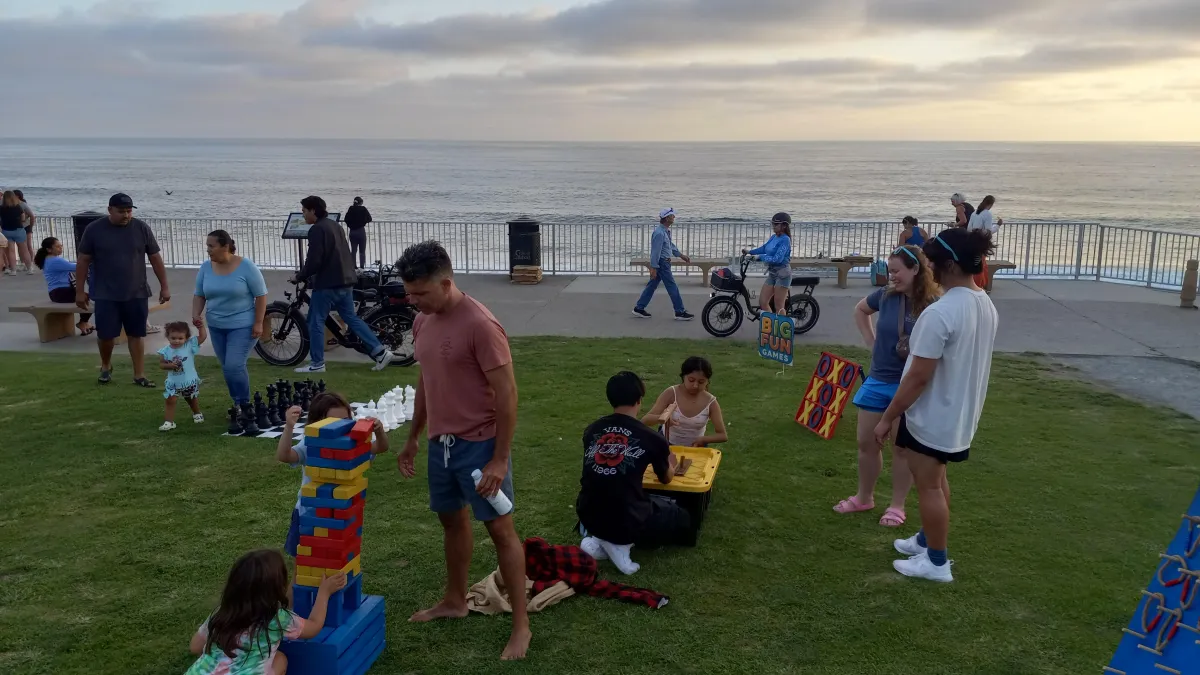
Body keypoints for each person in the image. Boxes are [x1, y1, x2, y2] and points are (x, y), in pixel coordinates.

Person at [394, 240, 530, 661]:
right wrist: (415, 435)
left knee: (500, 530)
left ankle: (521, 627)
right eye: (409, 293)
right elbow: (427, 380)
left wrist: (499, 457)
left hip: (480, 446)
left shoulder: (481, 325)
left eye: (419, 294)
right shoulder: (423, 321)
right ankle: (454, 600)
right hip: (441, 444)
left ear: (446, 283)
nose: (412, 301)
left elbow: (508, 395)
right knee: (451, 522)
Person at [874, 228, 999, 583]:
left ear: (946, 265)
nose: (927, 269)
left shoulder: (940, 313)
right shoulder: (984, 304)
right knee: (937, 479)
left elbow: (916, 377)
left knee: (928, 484)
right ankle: (928, 540)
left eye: (930, 263)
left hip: (932, 416)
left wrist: (888, 417)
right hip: (959, 414)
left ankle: (937, 562)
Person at [835, 244, 940, 527]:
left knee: (901, 449)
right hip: (878, 379)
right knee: (866, 443)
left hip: (909, 385)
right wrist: (871, 342)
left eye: (896, 271)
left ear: (915, 269)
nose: (891, 276)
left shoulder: (933, 302)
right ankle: (864, 497)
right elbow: (860, 310)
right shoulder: (885, 295)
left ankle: (896, 506)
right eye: (889, 271)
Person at [577, 371, 693, 575]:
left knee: (615, 494)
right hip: (627, 519)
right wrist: (671, 462)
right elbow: (666, 479)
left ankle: (598, 540)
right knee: (679, 515)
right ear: (639, 400)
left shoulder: (592, 430)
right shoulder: (651, 437)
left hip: (588, 512)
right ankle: (620, 545)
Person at [185, 549, 347, 675]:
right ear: (275, 588)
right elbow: (314, 626)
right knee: (281, 660)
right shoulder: (277, 619)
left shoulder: (222, 612)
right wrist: (324, 593)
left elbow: (195, 647)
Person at [75, 193, 171, 386]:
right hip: (105, 293)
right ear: (110, 210)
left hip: (136, 291)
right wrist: (79, 291)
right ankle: (105, 365)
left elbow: (155, 257)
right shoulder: (94, 229)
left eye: (129, 211)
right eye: (121, 211)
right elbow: (83, 260)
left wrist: (164, 286)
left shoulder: (141, 228)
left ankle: (139, 374)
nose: (126, 215)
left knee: (137, 334)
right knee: (106, 336)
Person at [277, 392, 388, 557]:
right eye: (333, 422)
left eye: (345, 420)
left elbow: (381, 447)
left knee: (337, 561)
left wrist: (378, 431)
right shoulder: (310, 444)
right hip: (309, 513)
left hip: (341, 515)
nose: (340, 427)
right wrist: (289, 427)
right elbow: (284, 456)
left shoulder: (353, 443)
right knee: (304, 565)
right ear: (317, 424)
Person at [291, 196, 393, 374]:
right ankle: (380, 351)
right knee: (351, 318)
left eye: (304, 211)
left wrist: (300, 276)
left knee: (315, 321)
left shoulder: (317, 230)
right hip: (346, 281)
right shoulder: (335, 226)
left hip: (327, 284)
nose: (303, 214)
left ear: (313, 210)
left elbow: (314, 260)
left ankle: (317, 364)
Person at [193, 230, 268, 407]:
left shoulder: (246, 266)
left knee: (234, 366)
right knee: (228, 368)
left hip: (243, 325)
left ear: (225, 246)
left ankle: (243, 404)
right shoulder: (206, 267)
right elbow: (199, 294)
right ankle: (238, 403)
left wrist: (258, 322)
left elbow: (261, 295)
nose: (208, 250)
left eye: (211, 246)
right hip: (216, 325)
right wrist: (196, 314)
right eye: (207, 246)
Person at [641, 356, 728, 448]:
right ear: (683, 377)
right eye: (691, 380)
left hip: (695, 447)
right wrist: (662, 418)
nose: (695, 385)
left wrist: (703, 439)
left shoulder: (711, 402)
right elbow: (645, 420)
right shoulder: (671, 393)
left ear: (707, 381)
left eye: (701, 382)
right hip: (667, 444)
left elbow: (722, 435)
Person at [632, 207, 694, 321]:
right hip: (662, 264)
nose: (674, 217)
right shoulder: (659, 233)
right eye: (672, 215)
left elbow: (670, 246)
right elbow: (655, 252)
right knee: (672, 287)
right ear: (666, 218)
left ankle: (639, 308)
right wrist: (654, 268)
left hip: (663, 263)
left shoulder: (665, 231)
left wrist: (681, 256)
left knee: (651, 287)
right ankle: (679, 312)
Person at [35, 237, 93, 336]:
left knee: (86, 297)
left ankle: (84, 322)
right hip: (60, 292)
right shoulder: (55, 261)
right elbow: (78, 266)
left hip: (57, 292)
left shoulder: (49, 259)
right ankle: (83, 322)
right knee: (87, 298)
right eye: (57, 247)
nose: (61, 248)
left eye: (61, 246)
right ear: (49, 250)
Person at [157, 320, 206, 431]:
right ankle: (169, 422)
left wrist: (201, 327)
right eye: (173, 338)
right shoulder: (165, 351)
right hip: (173, 381)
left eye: (180, 338)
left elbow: (203, 337)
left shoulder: (189, 345)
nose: (176, 341)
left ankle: (197, 413)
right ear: (168, 337)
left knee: (191, 398)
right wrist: (169, 365)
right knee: (170, 400)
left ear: (186, 338)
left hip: (188, 380)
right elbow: (161, 364)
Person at [744, 212, 793, 313]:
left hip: (783, 274)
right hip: (772, 273)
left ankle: (781, 327)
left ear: (784, 226)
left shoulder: (785, 240)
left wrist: (760, 257)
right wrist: (750, 252)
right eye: (773, 224)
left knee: (779, 306)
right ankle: (770, 324)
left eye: (776, 224)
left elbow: (777, 259)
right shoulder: (774, 237)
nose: (773, 227)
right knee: (763, 302)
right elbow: (764, 248)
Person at [967, 195, 1003, 290]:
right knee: (981, 266)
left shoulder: (975, 213)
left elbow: (969, 228)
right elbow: (987, 231)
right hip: (980, 243)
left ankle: (975, 285)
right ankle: (979, 286)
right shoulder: (987, 214)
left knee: (976, 263)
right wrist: (998, 226)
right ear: (991, 204)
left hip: (971, 241)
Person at [1, 191, 34, 276]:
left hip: (6, 231)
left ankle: (13, 270)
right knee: (24, 250)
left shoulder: (1, 208)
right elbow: (23, 218)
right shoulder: (18, 207)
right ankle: (29, 268)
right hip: (19, 230)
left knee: (11, 251)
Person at [343, 196, 372, 269]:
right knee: (362, 251)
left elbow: (346, 219)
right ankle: (362, 267)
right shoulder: (363, 209)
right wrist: (363, 222)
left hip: (352, 232)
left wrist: (350, 226)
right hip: (361, 231)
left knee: (353, 250)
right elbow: (369, 219)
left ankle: (353, 266)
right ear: (361, 203)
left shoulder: (351, 209)